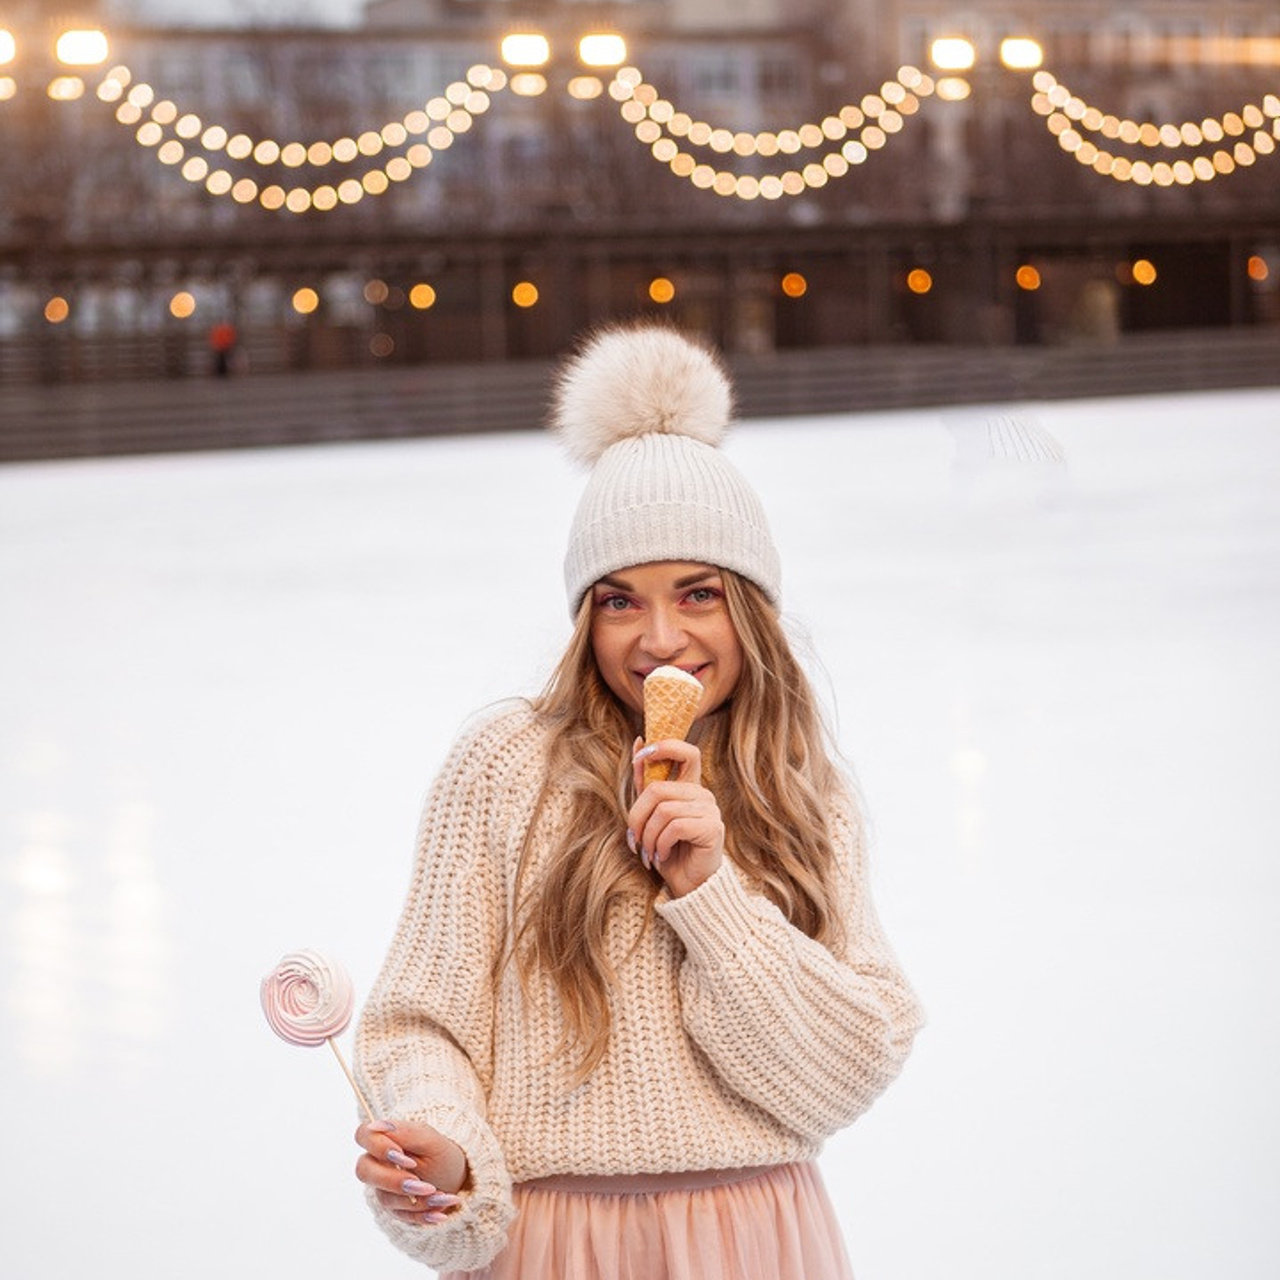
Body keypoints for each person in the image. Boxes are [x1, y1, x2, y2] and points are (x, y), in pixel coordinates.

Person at [352, 323, 923, 1278]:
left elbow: (844, 1073)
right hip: (555, 1245)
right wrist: (446, 1146)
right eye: (619, 601)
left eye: (698, 594)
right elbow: (420, 1021)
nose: (660, 639)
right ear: (586, 618)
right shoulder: (505, 766)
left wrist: (709, 891)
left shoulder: (799, 789)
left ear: (751, 610)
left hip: (754, 1242)